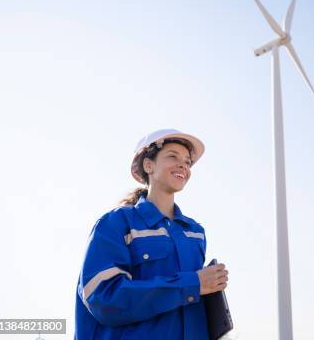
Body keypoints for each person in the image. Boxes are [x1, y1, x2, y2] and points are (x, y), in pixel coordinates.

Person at [75, 129, 228, 339]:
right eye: (172, 156)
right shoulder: (116, 224)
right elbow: (103, 298)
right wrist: (193, 284)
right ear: (149, 165)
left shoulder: (195, 232)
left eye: (187, 161)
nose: (183, 164)